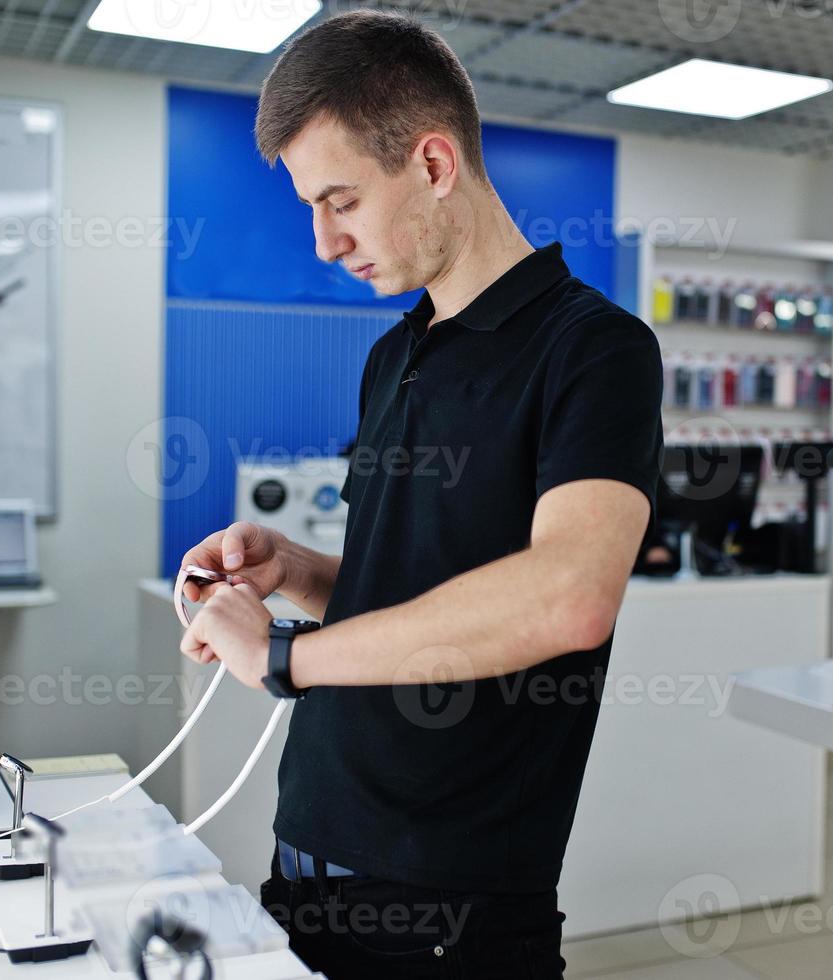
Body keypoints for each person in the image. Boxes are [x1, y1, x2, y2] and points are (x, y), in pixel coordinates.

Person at [177, 10, 663, 978]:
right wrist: (301, 571)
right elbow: (420, 576)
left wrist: (285, 657)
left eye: (342, 201)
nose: (323, 241)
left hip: (453, 893)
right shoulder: (395, 352)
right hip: (311, 845)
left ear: (434, 165)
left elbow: (568, 594)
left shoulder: (593, 349)